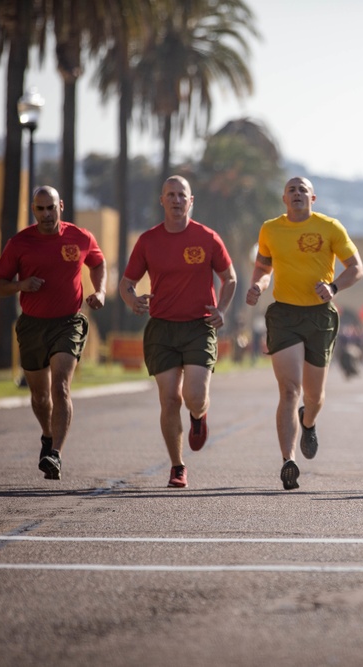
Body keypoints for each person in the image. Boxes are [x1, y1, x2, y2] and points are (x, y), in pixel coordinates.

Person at [246, 176, 363, 491]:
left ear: (314, 197)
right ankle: (289, 460)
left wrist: (334, 286)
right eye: (291, 189)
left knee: (314, 396)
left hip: (320, 316)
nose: (297, 193)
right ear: (284, 198)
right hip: (284, 314)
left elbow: (356, 267)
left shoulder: (331, 228)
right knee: (289, 390)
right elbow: (263, 267)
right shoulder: (270, 229)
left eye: (303, 190)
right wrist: (258, 285)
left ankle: (308, 421)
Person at [120, 175, 237, 488]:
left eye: (181, 195)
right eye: (169, 195)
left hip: (200, 325)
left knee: (194, 397)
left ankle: (199, 417)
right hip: (162, 329)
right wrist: (133, 301)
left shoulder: (207, 238)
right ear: (162, 200)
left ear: (191, 201)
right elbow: (126, 283)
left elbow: (231, 278)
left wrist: (222, 310)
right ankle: (177, 466)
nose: (175, 200)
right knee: (170, 400)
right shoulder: (148, 241)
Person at [0, 185, 107, 480]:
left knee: (61, 388)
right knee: (40, 397)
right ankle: (47, 434)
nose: (45, 214)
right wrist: (20, 285)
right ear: (33, 210)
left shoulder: (79, 237)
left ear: (61, 207)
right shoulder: (19, 243)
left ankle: (55, 453)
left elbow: (98, 262)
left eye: (50, 207)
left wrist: (101, 291)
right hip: (32, 325)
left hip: (68, 323)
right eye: (40, 208)